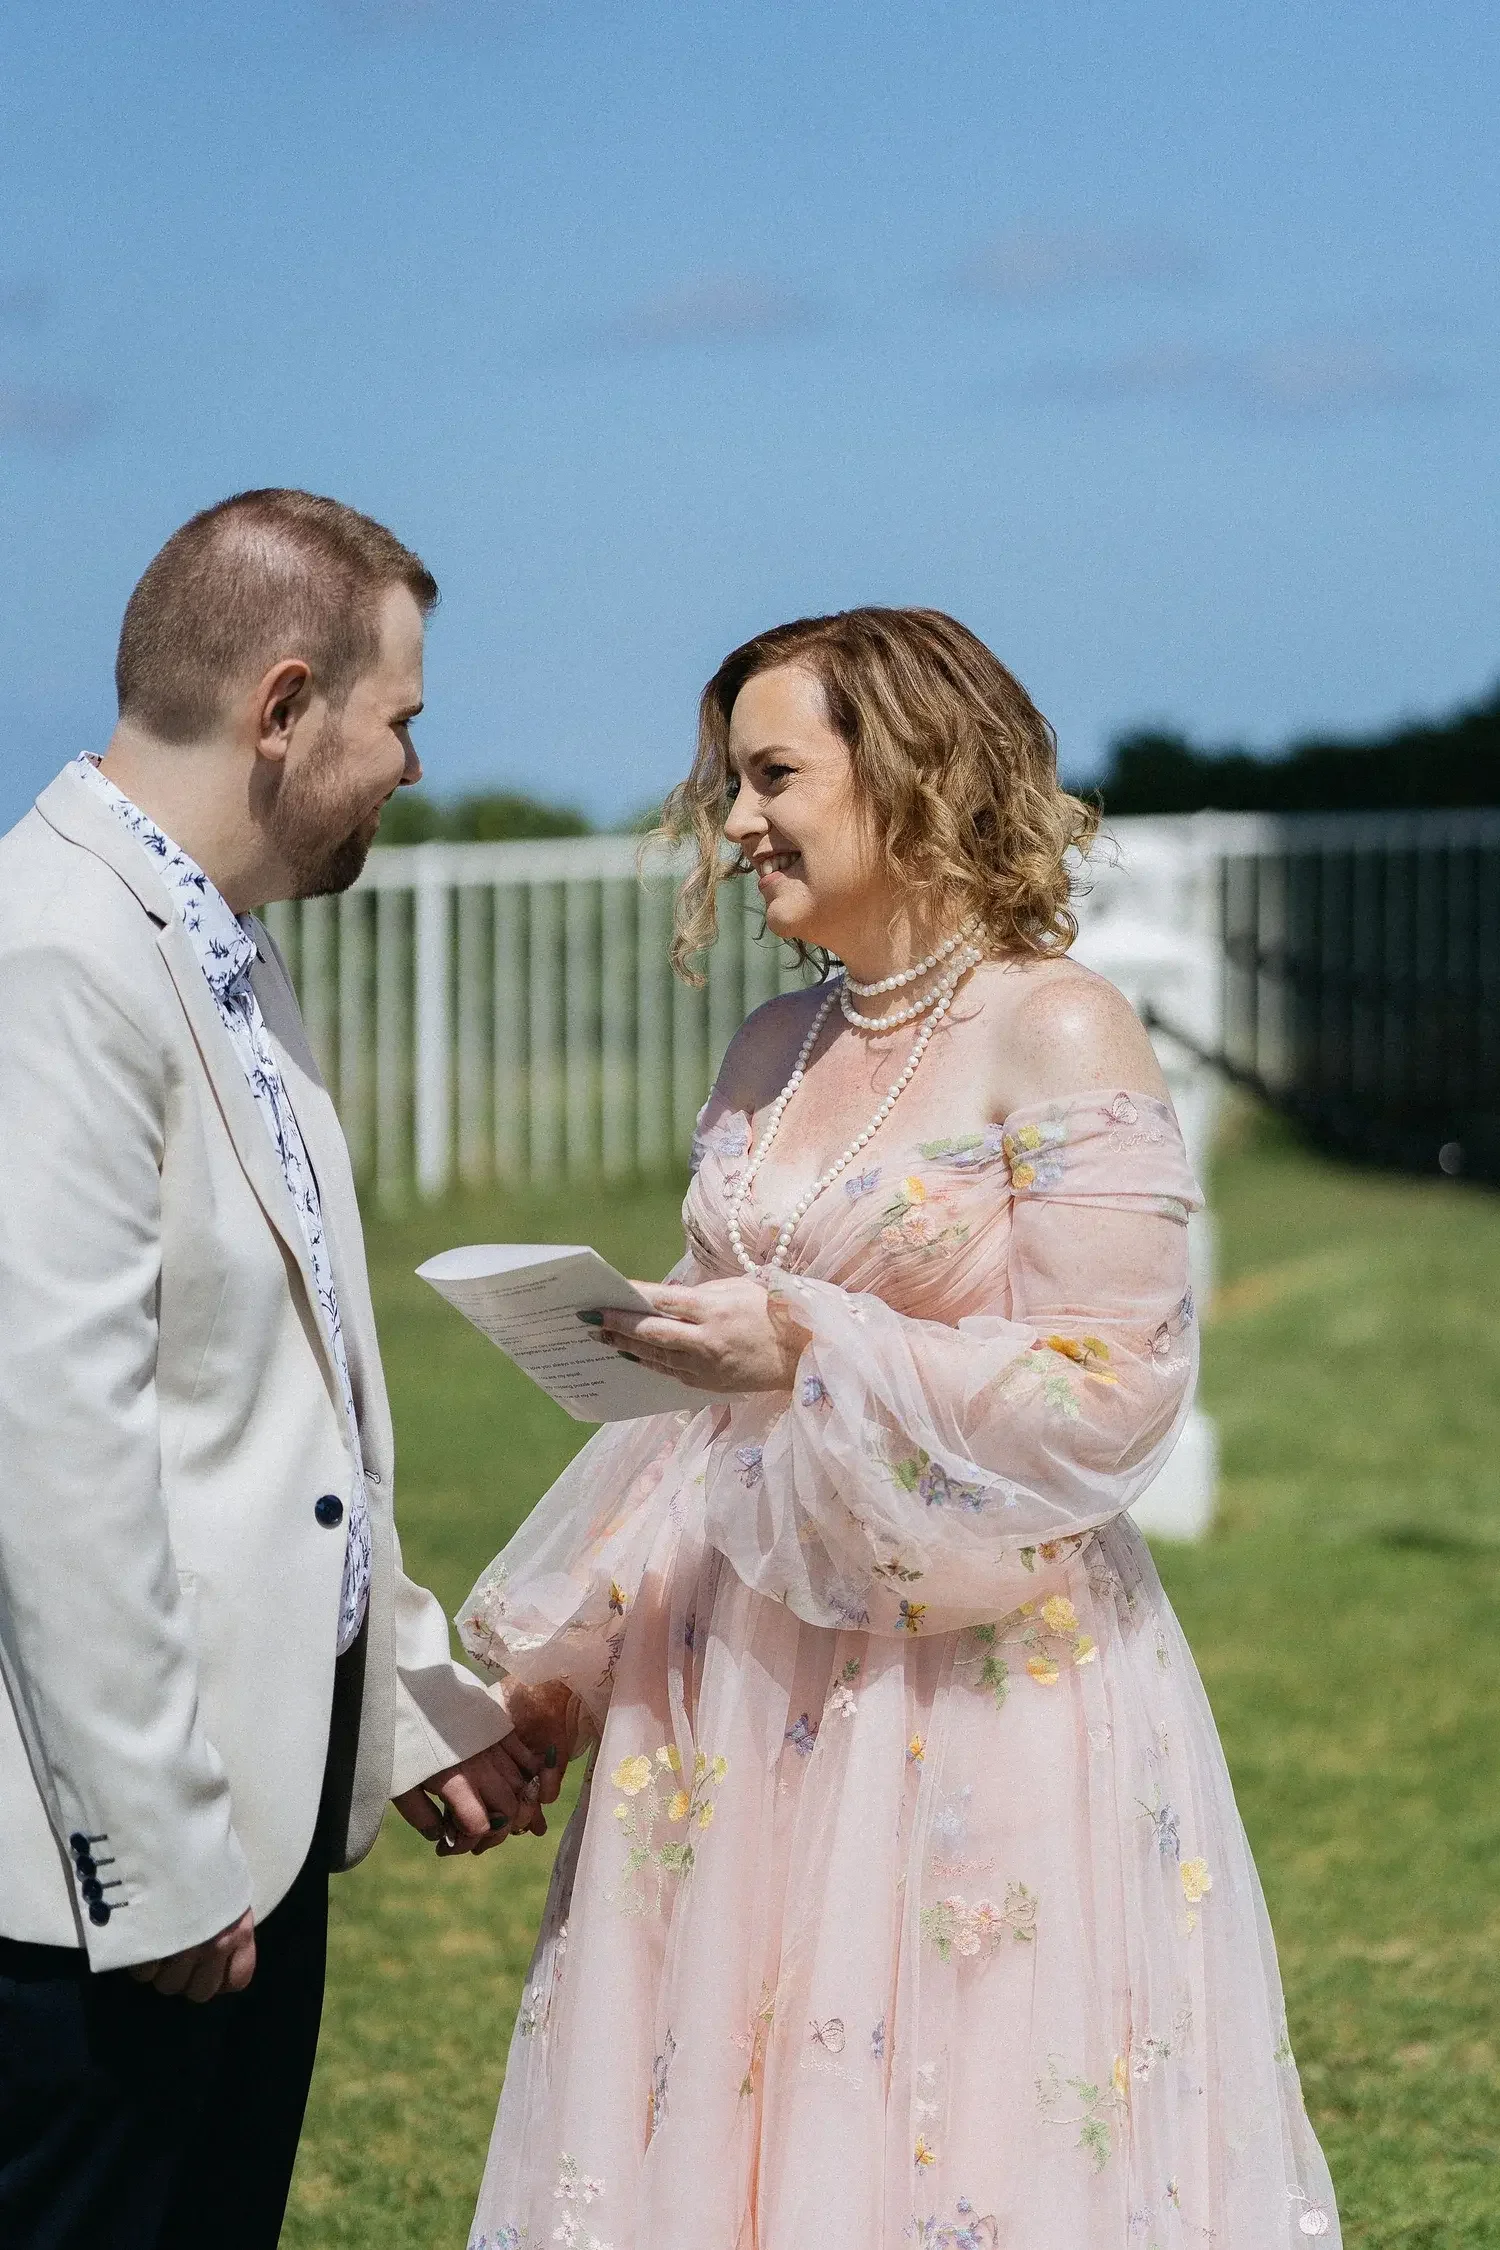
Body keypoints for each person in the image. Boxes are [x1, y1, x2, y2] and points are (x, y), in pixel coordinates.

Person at [461, 609, 1340, 2249]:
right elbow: (687, 1428)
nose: (734, 822)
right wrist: (561, 1682)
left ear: (915, 768)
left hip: (977, 1673)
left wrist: (814, 1336)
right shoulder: (768, 1051)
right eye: (732, 781)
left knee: (967, 2138)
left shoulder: (1057, 1026)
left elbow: (1114, 1385)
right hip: (730, 1679)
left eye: (773, 773)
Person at [0, 490, 563, 2250]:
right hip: (100, 1884)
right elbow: (57, 1447)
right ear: (283, 702)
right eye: (399, 717)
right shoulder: (53, 959)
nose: (408, 763)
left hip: (254, 1834)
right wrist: (158, 1860)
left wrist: (403, 1700)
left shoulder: (231, 950)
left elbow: (279, 1411)